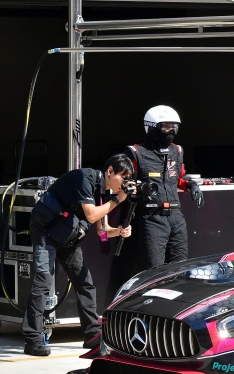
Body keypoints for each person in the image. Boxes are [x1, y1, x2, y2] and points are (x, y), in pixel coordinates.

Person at [21, 154, 135, 356]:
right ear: (110, 171)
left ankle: (92, 334)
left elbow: (102, 230)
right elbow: (91, 215)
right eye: (123, 178)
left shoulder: (103, 192)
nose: (124, 184)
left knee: (85, 282)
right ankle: (32, 339)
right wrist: (118, 200)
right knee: (43, 282)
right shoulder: (85, 178)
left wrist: (120, 231)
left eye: (128, 180)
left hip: (66, 235)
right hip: (45, 231)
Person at [124, 105, 204, 270]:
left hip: (176, 217)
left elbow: (178, 178)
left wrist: (191, 185)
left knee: (181, 266)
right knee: (154, 269)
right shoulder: (136, 152)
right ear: (152, 127)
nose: (171, 130)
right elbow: (122, 182)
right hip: (152, 217)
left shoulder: (177, 151)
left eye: (174, 126)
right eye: (166, 126)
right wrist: (139, 187)